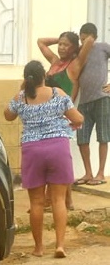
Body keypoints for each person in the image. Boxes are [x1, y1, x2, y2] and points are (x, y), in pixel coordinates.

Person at [4, 60, 84, 258]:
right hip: (58, 147)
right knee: (58, 200)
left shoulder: (21, 98)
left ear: (26, 78)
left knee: (37, 203)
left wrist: (22, 90)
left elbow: (8, 115)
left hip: (32, 151)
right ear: (44, 77)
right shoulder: (57, 94)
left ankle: (38, 248)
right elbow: (79, 119)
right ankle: (59, 246)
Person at [37, 32, 94, 209]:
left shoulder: (74, 65)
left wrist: (78, 41)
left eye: (65, 45)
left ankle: (52, 200)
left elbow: (90, 40)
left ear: (74, 48)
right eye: (60, 44)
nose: (61, 47)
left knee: (58, 162)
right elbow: (41, 41)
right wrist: (60, 38)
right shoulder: (55, 62)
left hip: (61, 118)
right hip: (46, 115)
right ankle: (67, 201)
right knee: (57, 161)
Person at [74, 23, 110, 186]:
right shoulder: (77, 52)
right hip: (84, 102)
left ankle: (101, 173)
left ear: (93, 37)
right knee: (82, 138)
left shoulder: (103, 48)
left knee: (103, 136)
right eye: (81, 39)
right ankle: (88, 173)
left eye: (85, 38)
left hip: (102, 98)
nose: (83, 42)